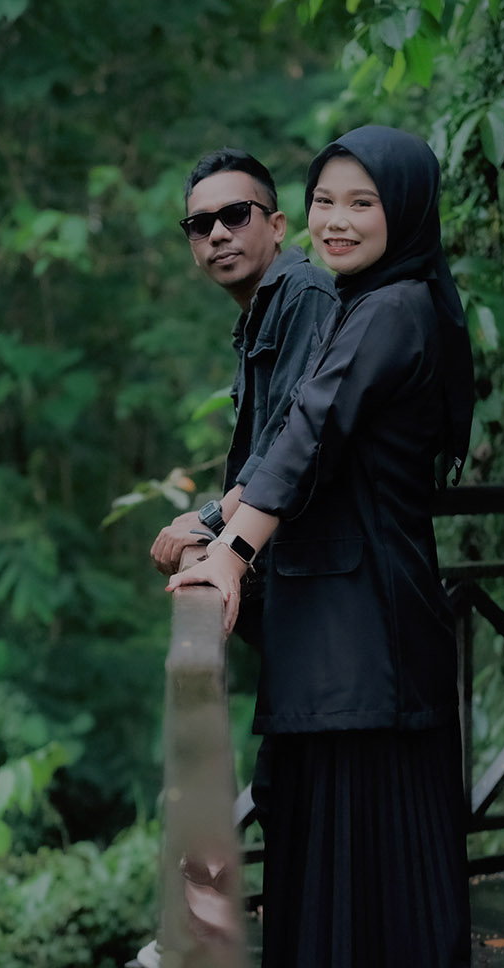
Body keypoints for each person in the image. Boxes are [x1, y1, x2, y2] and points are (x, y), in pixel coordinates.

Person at [166, 126, 504, 968]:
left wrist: (231, 548)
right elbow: (295, 438)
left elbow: (312, 432)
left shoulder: (395, 309)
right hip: (344, 646)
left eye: (362, 203)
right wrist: (222, 531)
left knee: (388, 895)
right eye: (327, 201)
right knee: (340, 896)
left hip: (373, 644)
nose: (337, 221)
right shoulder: (366, 303)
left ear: (406, 212)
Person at [149, 148, 340, 640]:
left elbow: (293, 441)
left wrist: (210, 518)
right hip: (292, 581)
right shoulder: (260, 315)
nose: (217, 234)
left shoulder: (305, 295)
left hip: (329, 586)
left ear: (277, 226)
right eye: (200, 224)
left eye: (235, 215)